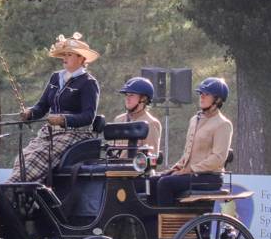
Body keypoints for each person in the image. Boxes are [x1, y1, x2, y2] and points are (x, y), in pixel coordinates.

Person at [9, 32, 101, 182]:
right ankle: (20, 193)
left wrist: (63, 119)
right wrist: (30, 113)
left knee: (36, 159)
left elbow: (88, 117)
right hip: (49, 132)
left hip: (74, 135)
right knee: (23, 157)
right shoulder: (55, 78)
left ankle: (11, 188)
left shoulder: (88, 83)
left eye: (70, 55)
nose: (65, 58)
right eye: (64, 54)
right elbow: (42, 106)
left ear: (81, 59)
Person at [152, 77, 232, 206]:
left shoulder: (223, 124)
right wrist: (176, 167)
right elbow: (188, 153)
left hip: (209, 177)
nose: (202, 97)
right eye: (201, 93)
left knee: (165, 184)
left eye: (206, 94)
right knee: (153, 180)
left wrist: (190, 169)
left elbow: (218, 158)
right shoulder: (194, 119)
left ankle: (167, 224)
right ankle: (153, 223)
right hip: (191, 174)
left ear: (217, 99)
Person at [113, 77, 162, 157]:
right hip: (112, 168)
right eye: (126, 95)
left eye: (132, 95)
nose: (127, 99)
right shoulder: (119, 119)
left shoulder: (151, 123)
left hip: (134, 169)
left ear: (144, 98)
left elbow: (151, 157)